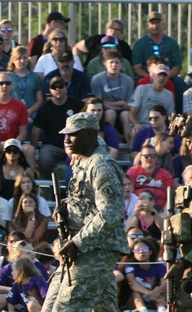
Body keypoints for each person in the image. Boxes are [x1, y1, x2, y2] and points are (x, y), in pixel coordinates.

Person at [41, 112, 129, 312]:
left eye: (73, 134)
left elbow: (113, 210)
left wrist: (78, 242)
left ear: (89, 134)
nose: (66, 139)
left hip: (94, 249)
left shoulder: (100, 166)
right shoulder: (85, 158)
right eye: (65, 134)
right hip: (83, 248)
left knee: (64, 308)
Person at [31, 76, 85, 179]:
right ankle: (51, 185)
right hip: (52, 147)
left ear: (66, 88)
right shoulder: (44, 108)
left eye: (60, 86)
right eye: (54, 87)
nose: (57, 89)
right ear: (49, 90)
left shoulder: (77, 104)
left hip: (75, 145)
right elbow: (36, 130)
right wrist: (33, 150)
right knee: (44, 158)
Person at [0, 72, 36, 170]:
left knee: (29, 149)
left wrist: (13, 143)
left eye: (7, 83)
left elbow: (23, 132)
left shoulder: (20, 106)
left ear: (11, 85)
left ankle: (30, 180)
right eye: (1, 83)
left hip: (15, 143)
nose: (4, 86)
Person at [131, 11, 185, 111]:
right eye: (152, 23)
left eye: (158, 23)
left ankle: (178, 113)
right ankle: (135, 108)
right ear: (147, 26)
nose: (155, 26)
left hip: (167, 75)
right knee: (135, 80)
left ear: (163, 24)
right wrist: (153, 77)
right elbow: (136, 68)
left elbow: (177, 66)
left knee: (179, 82)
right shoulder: (140, 43)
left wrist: (163, 76)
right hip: (146, 76)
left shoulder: (172, 43)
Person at [129, 64, 175, 140]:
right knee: (135, 131)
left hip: (160, 129)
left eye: (164, 76)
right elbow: (132, 113)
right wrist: (136, 124)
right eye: (159, 75)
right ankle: (133, 151)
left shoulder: (169, 95)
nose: (161, 78)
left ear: (167, 79)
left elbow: (170, 117)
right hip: (142, 126)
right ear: (153, 76)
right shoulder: (142, 89)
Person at [124, 238, 167, 312]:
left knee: (160, 291)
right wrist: (149, 293)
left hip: (155, 297)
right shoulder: (130, 266)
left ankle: (161, 309)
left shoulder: (159, 266)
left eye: (144, 249)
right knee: (136, 292)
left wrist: (157, 291)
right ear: (133, 254)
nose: (141, 252)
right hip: (137, 299)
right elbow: (132, 283)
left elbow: (165, 283)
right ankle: (142, 310)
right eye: (137, 250)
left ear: (150, 252)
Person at [126, 145, 173, 210]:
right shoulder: (133, 172)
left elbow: (170, 195)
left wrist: (165, 210)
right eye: (146, 156)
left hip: (160, 210)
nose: (150, 158)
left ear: (156, 158)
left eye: (153, 156)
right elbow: (129, 192)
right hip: (138, 208)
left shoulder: (165, 174)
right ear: (140, 157)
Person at [8, 46, 44, 120]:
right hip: (12, 112)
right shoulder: (7, 77)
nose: (22, 61)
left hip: (32, 113)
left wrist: (29, 112)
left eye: (24, 58)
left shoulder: (35, 77)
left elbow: (40, 99)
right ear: (13, 60)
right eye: (19, 58)